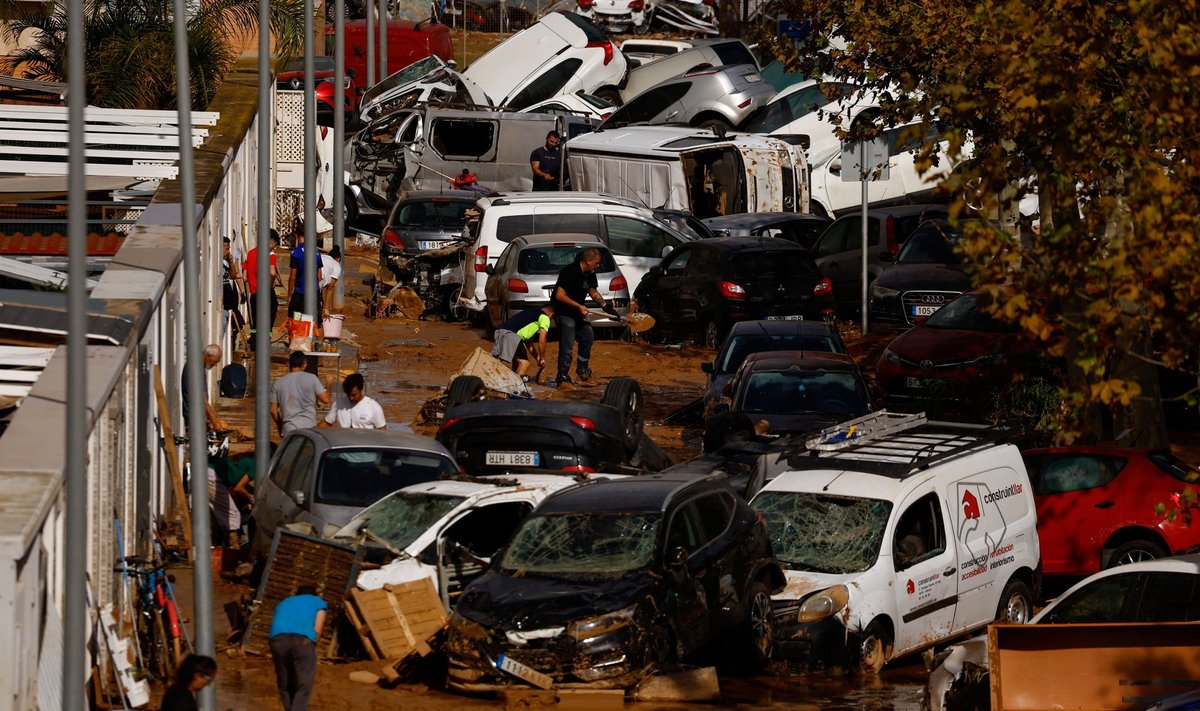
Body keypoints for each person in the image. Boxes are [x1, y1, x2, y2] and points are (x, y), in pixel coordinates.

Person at [552, 248, 616, 386]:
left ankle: (582, 370)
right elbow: (559, 295)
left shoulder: (590, 273)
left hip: (577, 312)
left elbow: (592, 290)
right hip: (564, 312)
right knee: (567, 344)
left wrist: (605, 305)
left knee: (588, 336)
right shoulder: (570, 271)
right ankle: (562, 376)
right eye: (596, 262)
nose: (598, 265)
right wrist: (578, 306)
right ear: (588, 261)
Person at [269, 586, 327, 711]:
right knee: (304, 683)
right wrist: (312, 645)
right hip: (302, 640)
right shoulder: (318, 602)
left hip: (278, 640)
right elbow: (318, 629)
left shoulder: (283, 603)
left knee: (284, 682)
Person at [269, 350, 331, 435]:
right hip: (308, 429)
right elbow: (326, 400)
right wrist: (329, 385)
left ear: (289, 364)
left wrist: (280, 425)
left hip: (288, 429)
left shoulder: (278, 383)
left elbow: (273, 411)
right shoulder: (312, 378)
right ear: (305, 365)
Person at [491, 304, 554, 380]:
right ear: (551, 315)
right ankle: (516, 388)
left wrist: (538, 357)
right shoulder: (544, 317)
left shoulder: (530, 312)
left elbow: (529, 343)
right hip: (512, 335)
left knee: (512, 362)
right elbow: (542, 340)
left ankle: (498, 381)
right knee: (524, 363)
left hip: (500, 332)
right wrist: (542, 357)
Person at [245, 228, 282, 344]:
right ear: (271, 242)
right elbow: (272, 273)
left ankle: (255, 343)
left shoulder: (250, 253)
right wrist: (271, 284)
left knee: (256, 321)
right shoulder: (270, 254)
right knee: (269, 318)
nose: (274, 248)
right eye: (275, 245)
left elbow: (245, 277)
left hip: (254, 293)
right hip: (266, 292)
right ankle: (266, 341)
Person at [181, 344, 226, 432]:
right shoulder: (195, 368)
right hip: (194, 419)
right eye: (215, 361)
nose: (215, 364)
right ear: (208, 355)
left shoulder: (199, 367)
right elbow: (202, 400)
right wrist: (215, 422)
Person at [321, 373, 386, 429]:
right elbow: (327, 423)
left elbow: (382, 431)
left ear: (361, 390)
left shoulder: (374, 407)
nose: (351, 398)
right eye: (348, 394)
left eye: (354, 395)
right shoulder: (338, 403)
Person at [287, 223, 323, 322]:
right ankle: (319, 338)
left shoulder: (296, 253)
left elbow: (292, 277)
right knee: (317, 322)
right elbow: (319, 276)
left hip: (300, 295)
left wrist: (289, 295)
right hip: (314, 293)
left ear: (298, 235)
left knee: (296, 320)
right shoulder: (316, 252)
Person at [320, 243, 342, 316]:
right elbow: (330, 288)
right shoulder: (336, 265)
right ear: (338, 258)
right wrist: (326, 309)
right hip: (317, 283)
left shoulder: (321, 256)